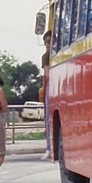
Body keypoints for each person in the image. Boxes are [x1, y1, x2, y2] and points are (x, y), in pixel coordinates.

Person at [39, 30, 52, 161]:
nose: (47, 45)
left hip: (51, 88)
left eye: (48, 42)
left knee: (49, 119)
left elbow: (46, 75)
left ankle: (49, 147)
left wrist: (44, 89)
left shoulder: (47, 56)